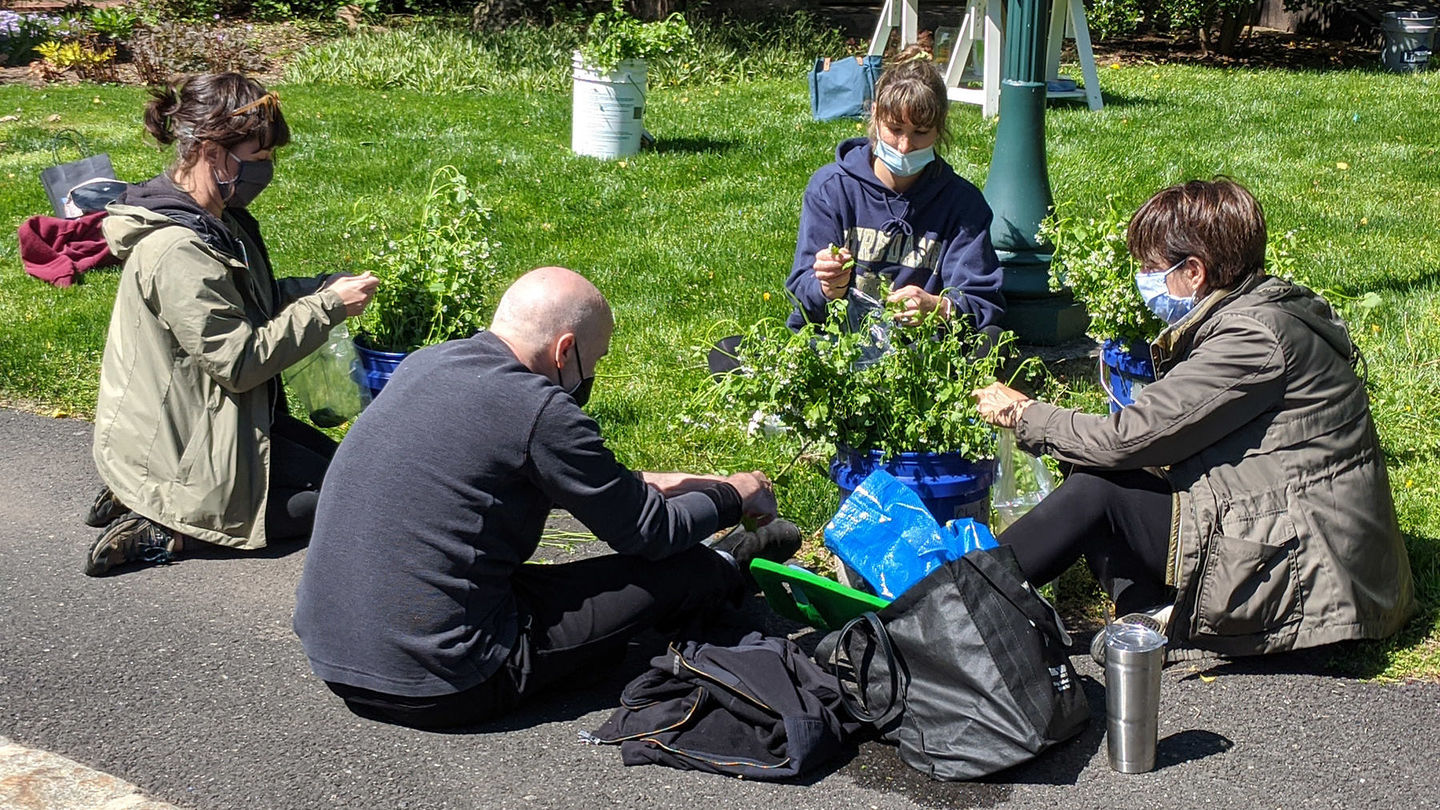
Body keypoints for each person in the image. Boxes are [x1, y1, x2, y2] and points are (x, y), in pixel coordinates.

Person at [293, 266, 801, 729]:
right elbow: (649, 532)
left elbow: (566, 477)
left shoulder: (429, 364)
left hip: (337, 659)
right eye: (594, 359)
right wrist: (735, 495)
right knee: (674, 572)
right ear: (564, 351)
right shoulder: (542, 410)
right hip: (448, 678)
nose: (590, 376)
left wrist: (682, 482)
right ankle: (723, 565)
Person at [972, 178, 1414, 661]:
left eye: (1150, 268)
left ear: (1195, 272)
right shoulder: (1260, 310)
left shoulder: (1252, 339)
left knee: (1098, 484)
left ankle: (962, 603)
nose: (1143, 278)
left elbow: (1127, 437)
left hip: (1314, 588)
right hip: (1302, 545)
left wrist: (1024, 414)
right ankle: (1145, 620)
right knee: (1102, 470)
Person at [84, 74, 379, 576]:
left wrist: (316, 288)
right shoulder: (177, 249)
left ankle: (145, 491)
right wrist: (327, 307)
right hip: (197, 439)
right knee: (348, 503)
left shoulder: (216, 218)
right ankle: (170, 528)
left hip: (211, 421)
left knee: (347, 473)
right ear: (209, 151)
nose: (266, 172)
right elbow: (239, 362)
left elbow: (245, 303)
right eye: (257, 159)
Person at [786, 48, 1004, 334]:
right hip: (841, 343)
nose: (904, 146)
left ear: (939, 129)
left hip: (922, 350)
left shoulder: (962, 204)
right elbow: (801, 289)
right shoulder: (832, 188)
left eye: (920, 133)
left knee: (991, 340)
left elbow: (982, 299)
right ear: (875, 115)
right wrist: (828, 287)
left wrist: (940, 307)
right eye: (895, 129)